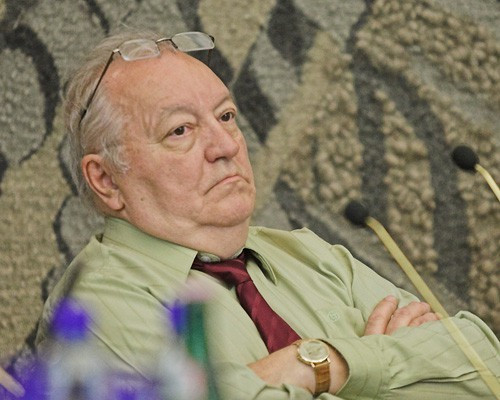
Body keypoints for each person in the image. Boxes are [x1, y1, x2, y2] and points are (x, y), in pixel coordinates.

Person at [33, 29, 499, 399]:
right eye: (180, 131)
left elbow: (485, 364)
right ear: (106, 180)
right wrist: (383, 363)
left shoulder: (310, 254)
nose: (225, 145)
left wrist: (324, 363)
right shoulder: (93, 306)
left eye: (226, 116)